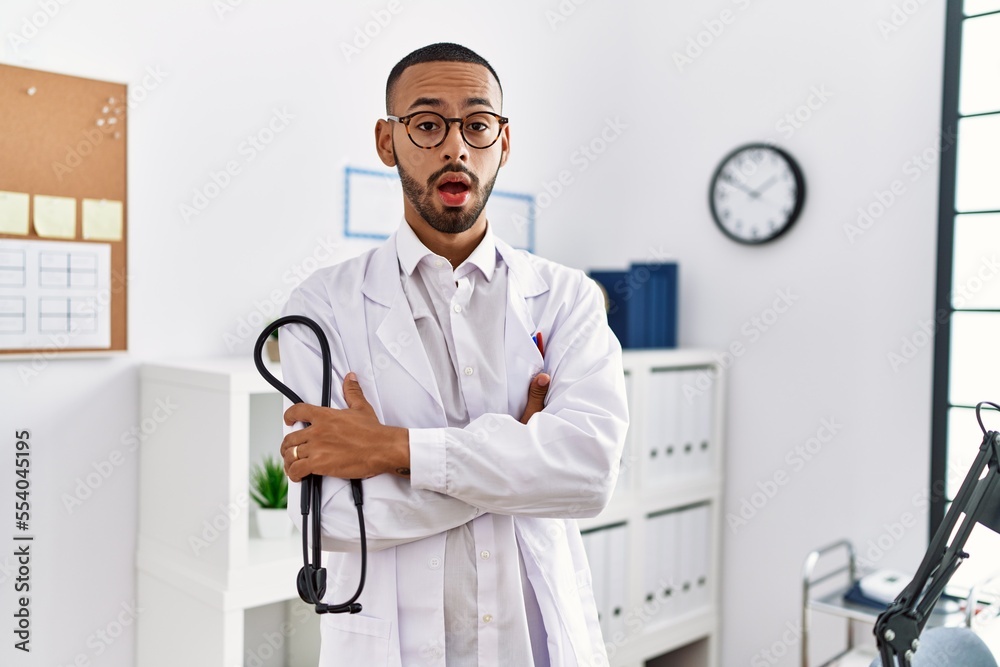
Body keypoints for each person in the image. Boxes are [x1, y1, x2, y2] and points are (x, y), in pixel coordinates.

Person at [276, 42, 629, 666]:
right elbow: (334, 516)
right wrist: (518, 459)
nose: (456, 147)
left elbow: (589, 474)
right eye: (428, 123)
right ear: (388, 142)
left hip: (534, 644)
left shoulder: (566, 297)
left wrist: (392, 450)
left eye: (477, 124)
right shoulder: (322, 307)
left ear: (504, 142)